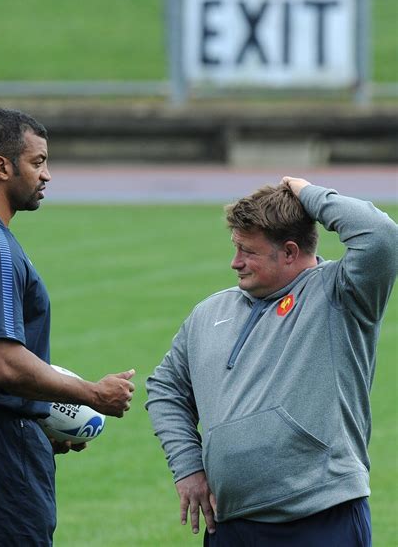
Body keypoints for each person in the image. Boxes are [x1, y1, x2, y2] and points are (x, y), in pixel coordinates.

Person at [146, 177, 397, 546]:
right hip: (231, 524)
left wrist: (307, 192)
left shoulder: (339, 295)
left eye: (248, 251)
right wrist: (188, 466)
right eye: (235, 247)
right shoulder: (209, 312)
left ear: (290, 252)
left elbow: (381, 236)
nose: (235, 263)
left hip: (320, 519)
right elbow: (165, 389)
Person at [0, 108, 136, 546]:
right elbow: (1, 363)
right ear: (2, 167)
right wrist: (92, 394)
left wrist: (39, 418)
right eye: (37, 162)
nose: (47, 175)